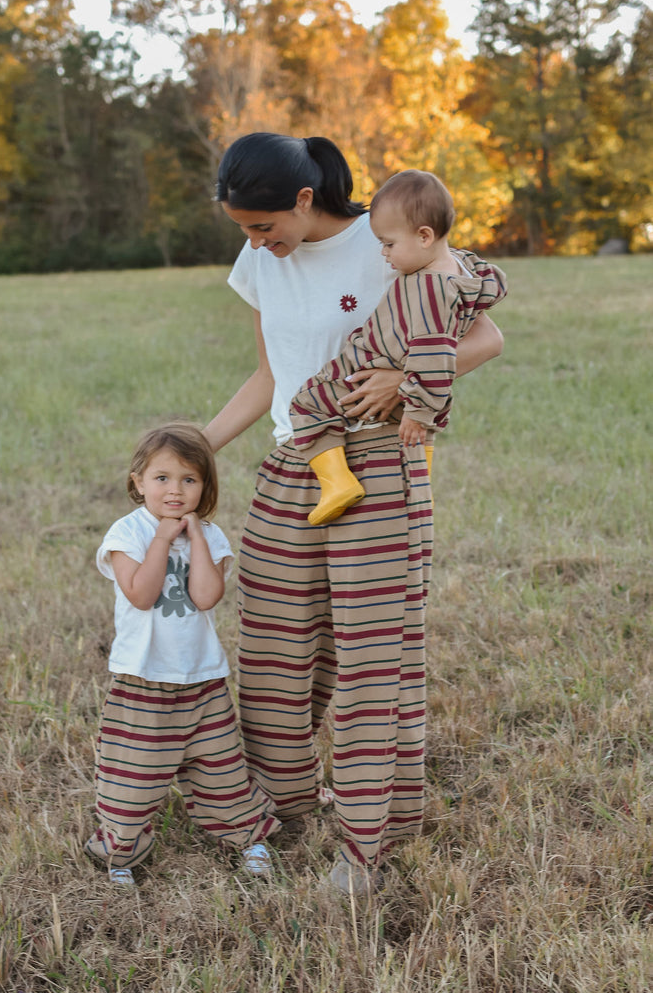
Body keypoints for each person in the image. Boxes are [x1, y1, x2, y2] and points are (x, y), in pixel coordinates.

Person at [207, 133, 503, 895]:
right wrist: (197, 445)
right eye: (244, 230)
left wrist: (405, 378)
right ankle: (284, 804)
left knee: (373, 660)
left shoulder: (387, 239)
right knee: (273, 647)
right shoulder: (259, 261)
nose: (255, 243)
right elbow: (272, 373)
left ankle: (367, 842)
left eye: (263, 225)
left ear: (304, 199)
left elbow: (485, 335)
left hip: (376, 468)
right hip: (293, 462)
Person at [85, 421, 280, 885]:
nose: (175, 490)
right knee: (133, 777)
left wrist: (195, 540)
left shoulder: (209, 536)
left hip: (202, 678)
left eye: (189, 479)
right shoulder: (127, 533)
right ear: (138, 482)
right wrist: (161, 538)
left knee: (222, 768)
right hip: (144, 679)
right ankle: (120, 853)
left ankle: (247, 836)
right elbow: (141, 594)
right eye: (162, 478)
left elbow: (207, 596)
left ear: (204, 487)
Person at [289, 169, 507, 525]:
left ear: (424, 236)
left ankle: (337, 484)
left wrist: (418, 409)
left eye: (389, 244)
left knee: (306, 403)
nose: (383, 254)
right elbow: (488, 283)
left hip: (368, 367)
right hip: (417, 386)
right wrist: (421, 409)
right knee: (420, 434)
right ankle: (420, 483)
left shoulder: (428, 288)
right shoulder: (462, 268)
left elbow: (434, 353)